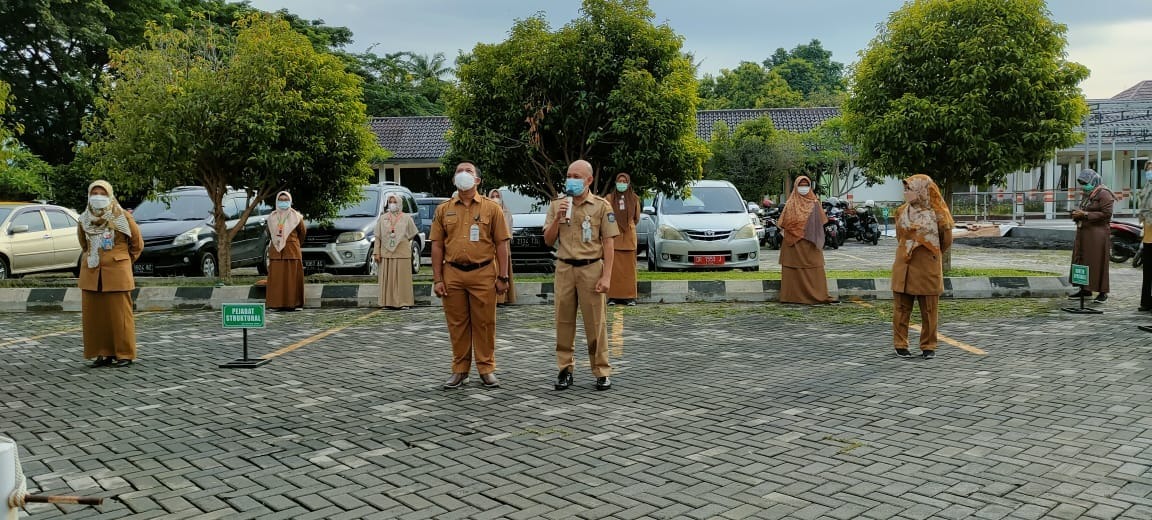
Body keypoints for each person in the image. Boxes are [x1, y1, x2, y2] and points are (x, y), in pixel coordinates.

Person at [431, 163, 511, 389]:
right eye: (458, 171)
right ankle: (460, 370)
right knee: (457, 324)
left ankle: (486, 369)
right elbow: (436, 246)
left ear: (477, 180)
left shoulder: (491, 209)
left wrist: (503, 277)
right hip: (453, 273)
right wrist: (437, 279)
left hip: (483, 273)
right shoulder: (443, 209)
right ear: (454, 180)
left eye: (468, 171)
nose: (462, 174)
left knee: (485, 323)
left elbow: (501, 244)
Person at [544, 160, 620, 391]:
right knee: (563, 322)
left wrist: (606, 277)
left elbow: (608, 244)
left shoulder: (601, 206)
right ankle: (565, 370)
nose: (571, 180)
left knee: (596, 323)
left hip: (591, 268)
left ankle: (601, 371)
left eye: (577, 176)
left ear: (588, 180)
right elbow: (548, 239)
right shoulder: (557, 204)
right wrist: (558, 218)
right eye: (569, 175)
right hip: (565, 269)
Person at [78, 180, 144, 368]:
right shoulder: (84, 218)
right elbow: (84, 244)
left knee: (120, 316)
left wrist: (122, 262)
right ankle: (103, 353)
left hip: (117, 273)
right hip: (92, 272)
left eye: (102, 193)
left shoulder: (121, 217)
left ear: (110, 195)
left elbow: (137, 245)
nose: (98, 197)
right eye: (94, 193)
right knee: (96, 316)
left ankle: (124, 354)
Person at [891, 174, 954, 360]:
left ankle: (929, 345)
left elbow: (946, 240)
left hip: (927, 266)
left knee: (929, 309)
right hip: (904, 265)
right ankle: (900, 344)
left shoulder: (938, 213)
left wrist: (929, 253)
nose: (906, 193)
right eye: (905, 189)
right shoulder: (901, 211)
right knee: (901, 308)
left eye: (909, 189)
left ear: (921, 190)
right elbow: (899, 236)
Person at [777, 176, 836, 305]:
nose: (803, 188)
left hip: (811, 242)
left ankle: (817, 295)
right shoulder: (790, 203)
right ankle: (792, 297)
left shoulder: (815, 203)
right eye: (801, 185)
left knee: (815, 268)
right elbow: (784, 224)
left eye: (806, 185)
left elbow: (821, 222)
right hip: (793, 243)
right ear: (796, 186)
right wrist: (796, 231)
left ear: (810, 187)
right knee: (793, 269)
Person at [1069, 169, 1114, 303]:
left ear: (1094, 180)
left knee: (1097, 262)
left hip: (1097, 235)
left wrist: (1086, 215)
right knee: (1082, 260)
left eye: (1086, 183)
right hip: (1084, 233)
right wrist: (1076, 214)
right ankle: (1085, 289)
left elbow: (1107, 214)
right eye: (1082, 183)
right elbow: (1084, 209)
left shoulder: (1105, 194)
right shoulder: (1088, 194)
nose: (1084, 186)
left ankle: (1102, 292)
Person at [374, 193, 419, 309]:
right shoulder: (383, 218)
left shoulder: (406, 218)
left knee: (402, 279)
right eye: (390, 202)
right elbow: (377, 237)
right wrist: (376, 252)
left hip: (402, 252)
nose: (392, 204)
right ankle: (387, 302)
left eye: (394, 202)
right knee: (387, 279)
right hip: (386, 252)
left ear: (399, 203)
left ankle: (404, 302)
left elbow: (412, 234)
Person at [266, 191, 306, 311]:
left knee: (292, 279)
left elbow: (302, 233)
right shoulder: (272, 217)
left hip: (292, 252)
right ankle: (276, 304)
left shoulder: (296, 217)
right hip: (276, 252)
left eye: (286, 200)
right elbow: (269, 234)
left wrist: (293, 244)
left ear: (290, 201)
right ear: (277, 202)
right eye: (281, 200)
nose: (283, 202)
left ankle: (294, 304)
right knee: (277, 280)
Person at [605, 172, 640, 306]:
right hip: (613, 236)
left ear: (628, 183)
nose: (622, 184)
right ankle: (612, 296)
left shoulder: (635, 198)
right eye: (619, 181)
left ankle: (630, 297)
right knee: (613, 268)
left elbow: (636, 218)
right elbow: (606, 216)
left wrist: (626, 226)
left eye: (624, 181)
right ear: (615, 183)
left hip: (629, 238)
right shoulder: (609, 198)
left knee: (629, 269)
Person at [488, 188, 517, 306]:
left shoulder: (506, 213)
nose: (495, 198)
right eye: (493, 196)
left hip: (503, 246)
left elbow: (508, 231)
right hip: (490, 247)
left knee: (503, 270)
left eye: (497, 196)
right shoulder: (486, 211)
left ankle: (503, 298)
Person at [1139, 163, 1152, 312]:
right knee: (1147, 272)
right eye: (1148, 170)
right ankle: (1146, 302)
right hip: (1148, 236)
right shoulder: (1146, 188)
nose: (1149, 172)